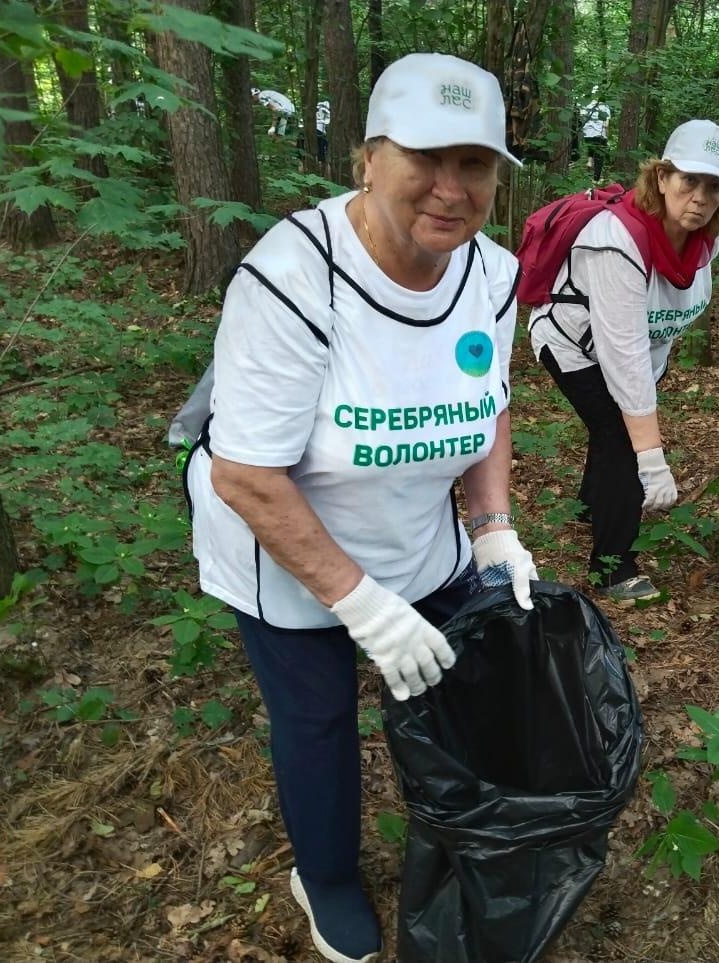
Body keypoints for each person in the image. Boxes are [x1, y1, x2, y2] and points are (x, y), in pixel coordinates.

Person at [190, 54, 535, 963]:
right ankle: (327, 875)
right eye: (425, 156)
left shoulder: (493, 275)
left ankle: (464, 840)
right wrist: (364, 604)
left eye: (475, 164)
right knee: (317, 720)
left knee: (463, 695)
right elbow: (248, 474)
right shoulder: (293, 276)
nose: (450, 188)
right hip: (284, 546)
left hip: (422, 536)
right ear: (367, 158)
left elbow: (488, 399)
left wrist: (492, 523)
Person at [528, 120, 719, 602]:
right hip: (570, 344)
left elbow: (660, 330)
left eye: (714, 186)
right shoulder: (614, 239)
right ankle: (615, 568)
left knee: (616, 426)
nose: (700, 198)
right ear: (662, 178)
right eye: (689, 181)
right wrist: (651, 455)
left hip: (630, 352)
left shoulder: (700, 247)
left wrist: (649, 388)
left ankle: (592, 503)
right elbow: (622, 353)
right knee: (622, 437)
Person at [580, 87, 612, 182]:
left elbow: (582, 119)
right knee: (599, 157)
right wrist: (607, 136)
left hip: (587, 135)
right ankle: (596, 179)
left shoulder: (587, 106)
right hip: (600, 134)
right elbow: (606, 125)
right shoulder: (605, 107)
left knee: (591, 146)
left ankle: (589, 161)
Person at [316, 99, 331, 164]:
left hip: (321, 132)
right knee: (321, 147)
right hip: (319, 131)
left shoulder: (325, 112)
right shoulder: (321, 111)